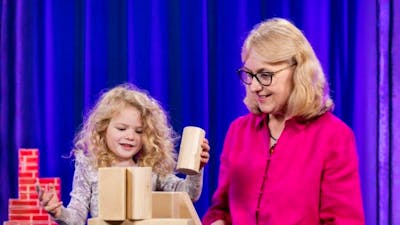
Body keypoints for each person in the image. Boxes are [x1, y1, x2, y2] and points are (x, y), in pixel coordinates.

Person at [202, 18, 364, 225]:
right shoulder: (238, 131)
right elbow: (221, 209)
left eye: (265, 75)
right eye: (250, 75)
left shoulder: (334, 136)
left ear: (299, 72)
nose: (254, 87)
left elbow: (343, 221)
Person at [38, 83, 210, 225]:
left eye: (139, 131)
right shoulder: (89, 166)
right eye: (121, 128)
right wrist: (58, 211)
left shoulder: (150, 167)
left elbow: (187, 195)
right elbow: (77, 218)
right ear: (103, 129)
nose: (130, 136)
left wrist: (196, 169)